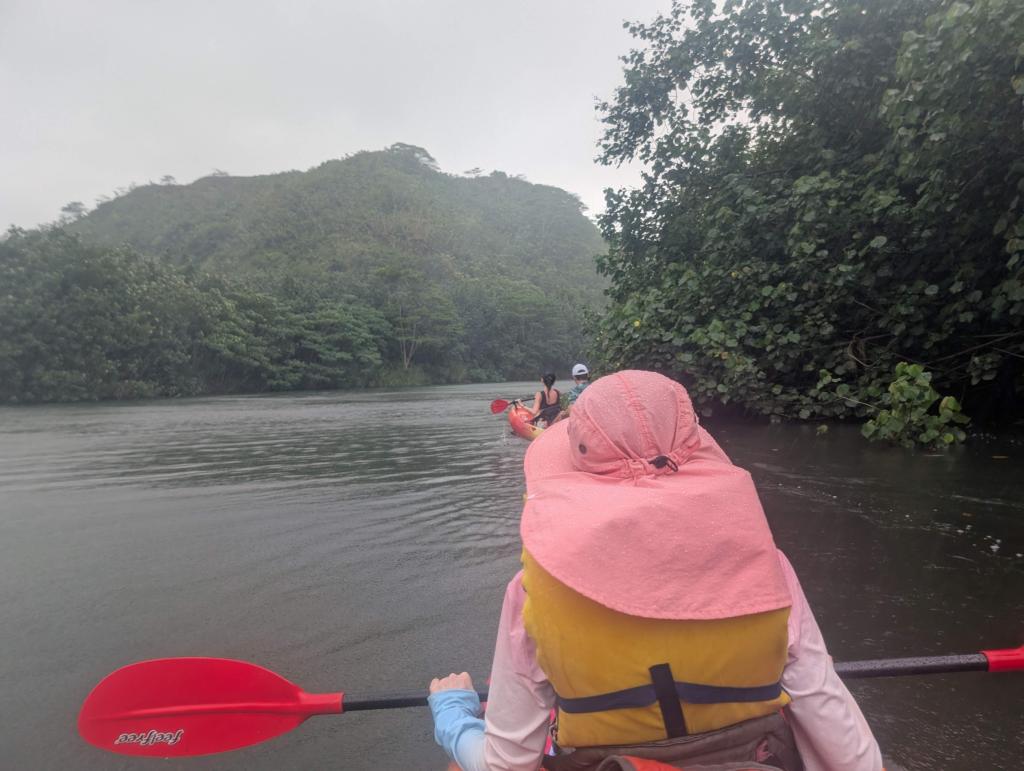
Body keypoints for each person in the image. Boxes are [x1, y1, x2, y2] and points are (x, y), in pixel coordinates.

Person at [428, 370, 882, 771]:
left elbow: (506, 766)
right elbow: (853, 757)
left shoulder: (531, 590)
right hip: (752, 756)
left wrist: (451, 714)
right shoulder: (771, 568)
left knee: (459, 759)